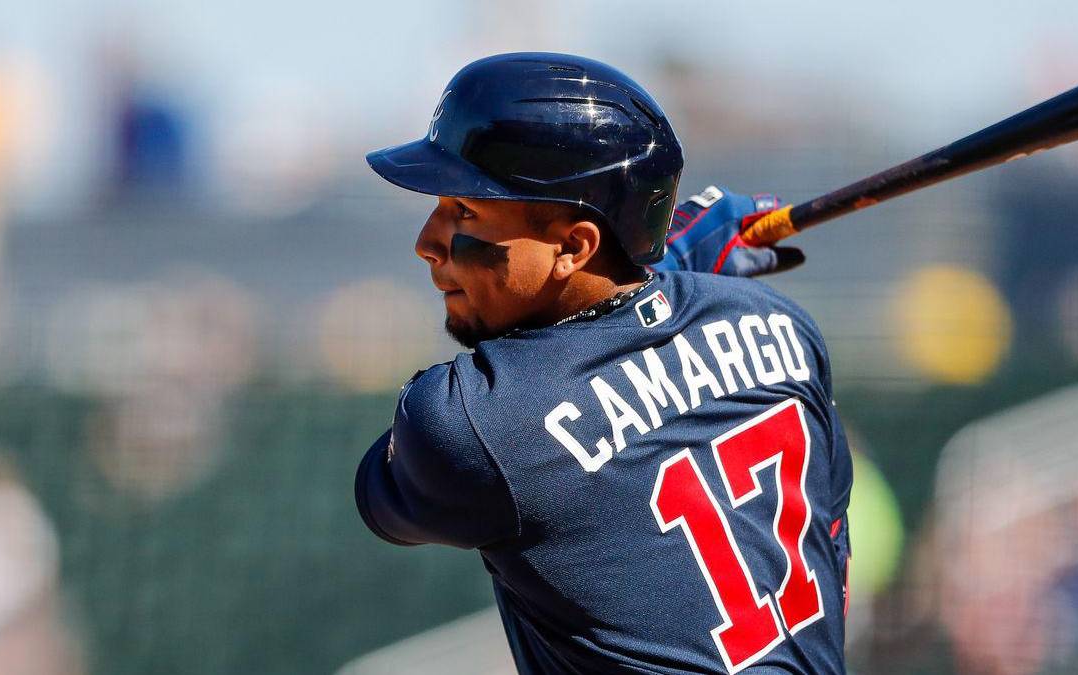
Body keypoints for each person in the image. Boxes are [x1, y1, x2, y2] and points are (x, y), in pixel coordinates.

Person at [356, 52, 852, 674]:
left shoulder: (472, 420)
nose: (427, 244)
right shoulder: (783, 322)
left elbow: (381, 502)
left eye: (466, 212)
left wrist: (674, 259)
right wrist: (664, 277)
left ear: (574, 246)